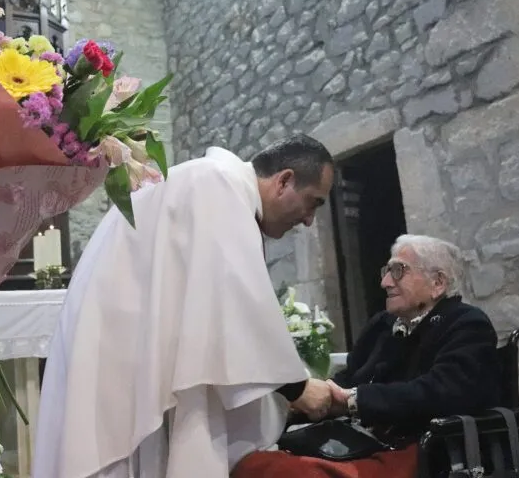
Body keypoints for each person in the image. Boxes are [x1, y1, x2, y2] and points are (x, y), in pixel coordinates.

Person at [33, 136, 336, 477]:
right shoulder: (219, 185)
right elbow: (236, 311)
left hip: (123, 349)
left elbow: (209, 316)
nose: (309, 220)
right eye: (313, 203)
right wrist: (298, 390)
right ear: (284, 180)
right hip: (121, 357)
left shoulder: (209, 181)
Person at [232, 234, 502, 478]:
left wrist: (354, 401)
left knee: (279, 473)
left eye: (398, 271)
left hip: (418, 447)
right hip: (361, 440)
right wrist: (308, 401)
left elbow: (441, 392)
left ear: (438, 282)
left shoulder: (467, 324)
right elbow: (350, 377)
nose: (385, 282)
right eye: (387, 271)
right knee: (252, 463)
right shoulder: (383, 325)